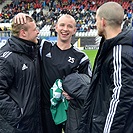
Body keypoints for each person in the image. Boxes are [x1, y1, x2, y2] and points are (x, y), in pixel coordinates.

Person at [14, 13, 92, 133]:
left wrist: (75, 94)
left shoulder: (81, 57)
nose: (65, 29)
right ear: (55, 27)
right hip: (46, 109)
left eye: (69, 26)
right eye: (62, 25)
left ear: (75, 30)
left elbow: (88, 86)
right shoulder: (43, 47)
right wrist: (21, 15)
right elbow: (23, 38)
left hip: (71, 110)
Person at [78, 2, 133, 133]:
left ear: (102, 21)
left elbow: (121, 99)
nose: (95, 24)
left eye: (96, 20)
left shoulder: (120, 52)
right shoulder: (110, 47)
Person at [0, 15, 42, 133]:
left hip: (33, 125)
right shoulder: (6, 58)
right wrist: (18, 116)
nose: (38, 32)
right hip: (17, 127)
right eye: (34, 29)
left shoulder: (32, 50)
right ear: (23, 33)